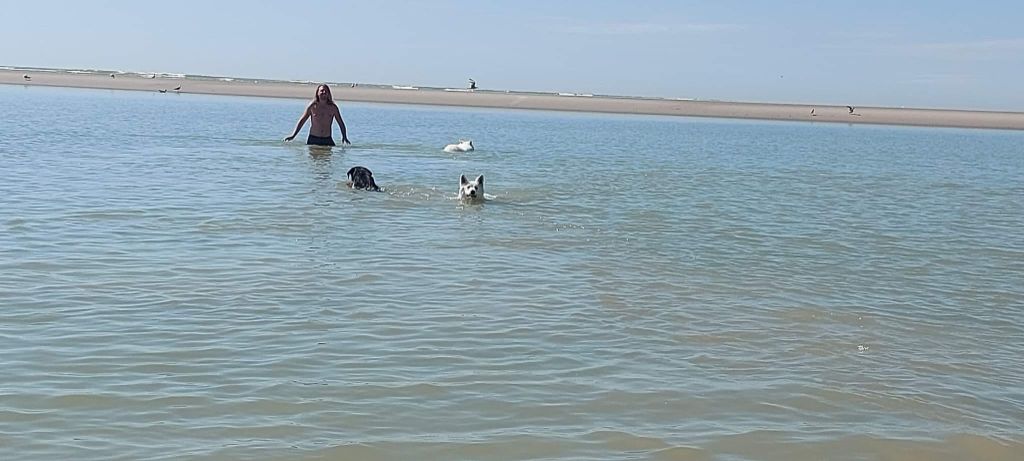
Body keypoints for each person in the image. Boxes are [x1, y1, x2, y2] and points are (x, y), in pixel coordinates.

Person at [284, 84, 351, 146]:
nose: (324, 92)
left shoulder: (333, 108)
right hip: (313, 138)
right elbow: (302, 121)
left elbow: (341, 123)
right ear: (317, 93)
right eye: (322, 91)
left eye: (326, 91)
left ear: (328, 94)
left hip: (327, 139)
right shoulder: (312, 106)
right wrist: (293, 136)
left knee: (329, 155)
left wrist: (344, 136)